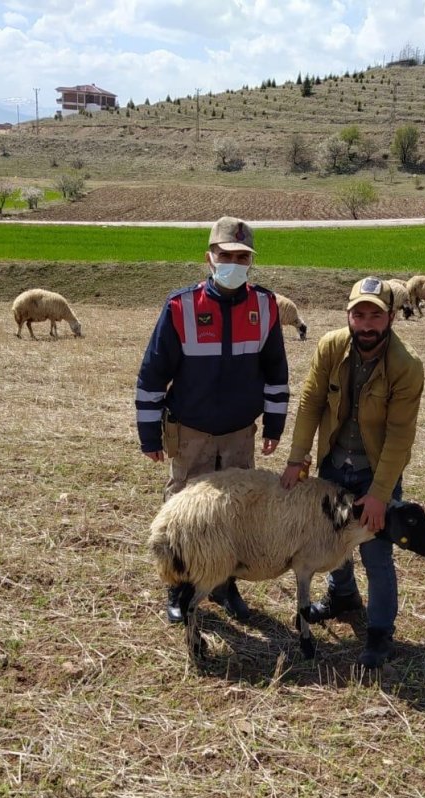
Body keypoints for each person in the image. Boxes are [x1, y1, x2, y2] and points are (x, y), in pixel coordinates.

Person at [136, 217, 290, 625]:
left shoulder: (265, 305)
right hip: (192, 432)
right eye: (226, 255)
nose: (234, 263)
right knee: (184, 510)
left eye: (242, 257)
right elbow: (152, 374)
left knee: (237, 512)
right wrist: (148, 432)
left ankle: (225, 585)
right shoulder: (180, 307)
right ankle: (179, 586)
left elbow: (276, 370)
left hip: (240, 432)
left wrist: (274, 425)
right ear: (209, 258)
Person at [279, 276, 425, 669]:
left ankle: (380, 632)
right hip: (333, 464)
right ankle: (342, 597)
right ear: (348, 315)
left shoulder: (406, 365)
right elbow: (311, 403)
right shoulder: (330, 346)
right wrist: (298, 459)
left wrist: (379, 494)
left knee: (376, 555)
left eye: (374, 316)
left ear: (391, 318)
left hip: (376, 470)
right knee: (331, 541)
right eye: (358, 314)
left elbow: (399, 436)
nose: (366, 324)